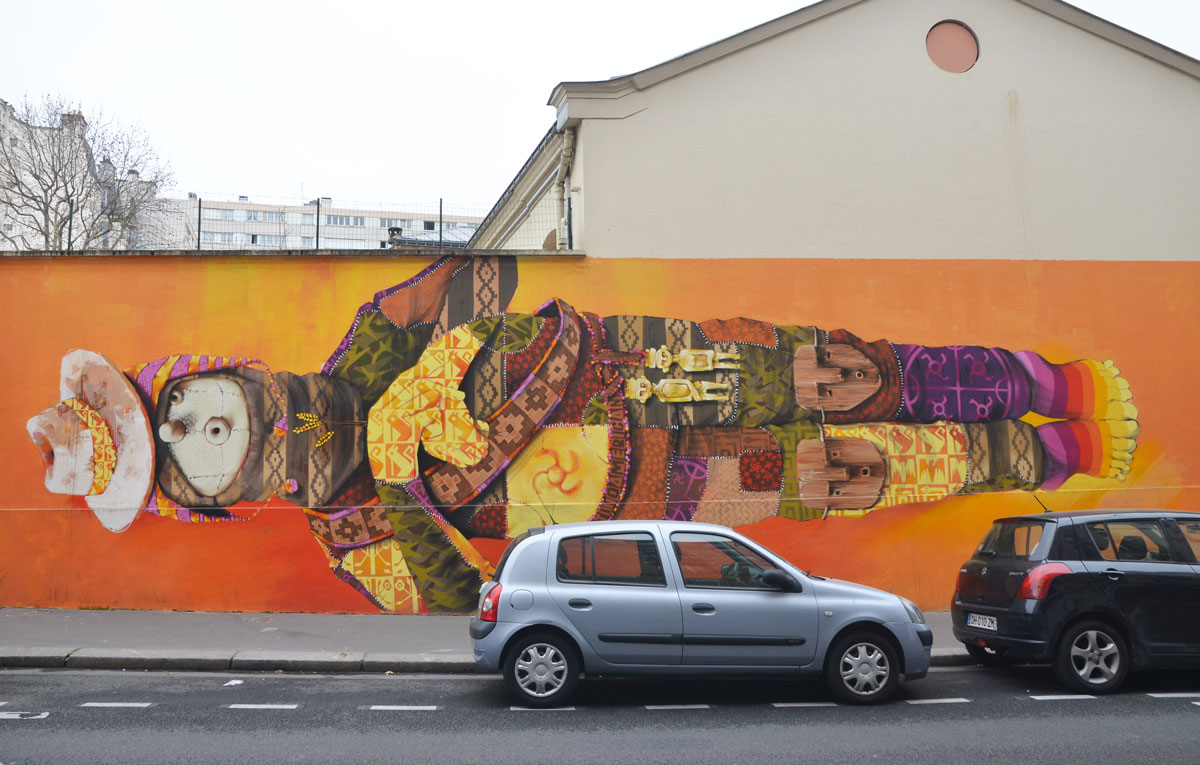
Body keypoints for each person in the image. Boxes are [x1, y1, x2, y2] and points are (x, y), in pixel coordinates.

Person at [27, 256, 1137, 613]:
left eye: (184, 403)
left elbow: (490, 274)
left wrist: (439, 363)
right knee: (849, 472)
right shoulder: (354, 535)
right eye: (184, 446)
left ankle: (1032, 378)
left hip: (649, 361)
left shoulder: (369, 343)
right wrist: (410, 486)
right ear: (206, 493)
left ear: (222, 373)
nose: (205, 424)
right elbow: (469, 606)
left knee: (842, 375)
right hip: (670, 488)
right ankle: (1037, 454)